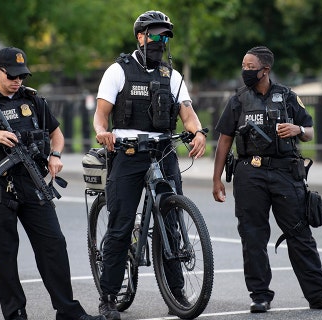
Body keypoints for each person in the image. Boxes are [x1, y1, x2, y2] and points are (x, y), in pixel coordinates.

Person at [0, 47, 105, 320]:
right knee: (5, 255)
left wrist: (55, 156)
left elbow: (57, 134)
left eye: (22, 75)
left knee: (54, 244)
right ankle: (15, 313)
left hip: (33, 182)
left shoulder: (31, 100)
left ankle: (67, 310)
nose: (18, 80)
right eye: (13, 75)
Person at [92, 10, 207, 320]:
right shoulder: (119, 71)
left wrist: (197, 132)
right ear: (140, 37)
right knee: (121, 226)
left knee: (171, 221)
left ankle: (177, 294)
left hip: (164, 151)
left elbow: (187, 113)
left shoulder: (173, 76)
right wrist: (102, 133)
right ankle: (108, 297)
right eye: (155, 34)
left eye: (165, 36)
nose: (161, 40)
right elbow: (101, 115)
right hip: (128, 153)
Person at [211, 46, 322, 313]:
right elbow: (224, 140)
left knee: (300, 234)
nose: (245, 71)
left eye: (250, 67)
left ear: (265, 70)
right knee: (253, 237)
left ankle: (318, 295)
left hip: (285, 172)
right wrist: (217, 179)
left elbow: (309, 132)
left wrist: (297, 129)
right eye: (243, 66)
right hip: (249, 174)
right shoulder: (238, 100)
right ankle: (260, 295)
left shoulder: (287, 97)